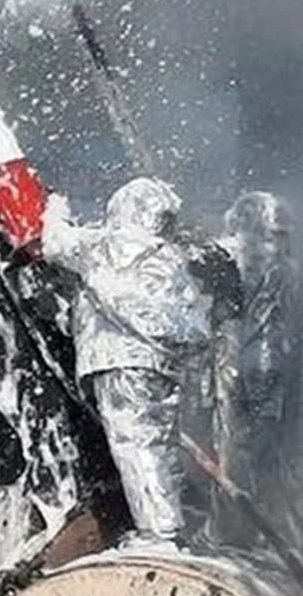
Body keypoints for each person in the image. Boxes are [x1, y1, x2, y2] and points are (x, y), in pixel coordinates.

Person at [41, 178, 210, 546]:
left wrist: (55, 207)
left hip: (118, 361)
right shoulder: (169, 259)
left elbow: (52, 243)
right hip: (162, 366)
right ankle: (172, 524)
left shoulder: (106, 246)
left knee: (133, 443)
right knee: (160, 442)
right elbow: (190, 328)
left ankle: (158, 534)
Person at [216, 191, 295, 495]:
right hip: (271, 367)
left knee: (240, 445)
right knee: (263, 445)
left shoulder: (249, 262)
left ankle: (241, 520)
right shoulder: (289, 269)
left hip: (249, 367)